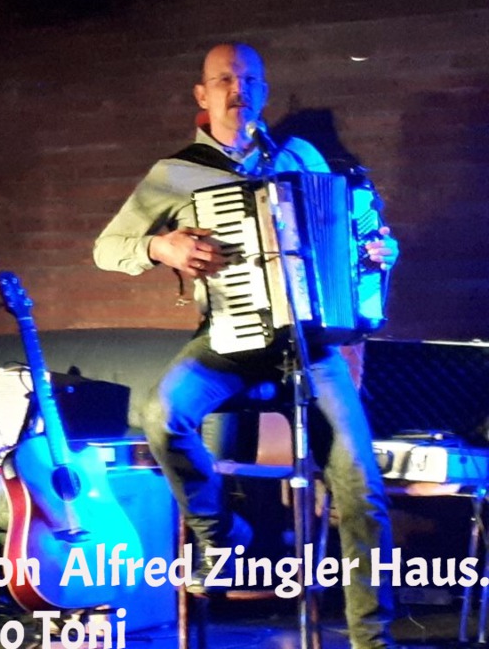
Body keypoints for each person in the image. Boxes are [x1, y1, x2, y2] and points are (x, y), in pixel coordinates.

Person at [93, 43, 399, 649]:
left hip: (312, 344)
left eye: (251, 80)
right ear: (202, 94)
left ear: (263, 91)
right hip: (229, 339)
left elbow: (350, 232)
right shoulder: (176, 173)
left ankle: (373, 639)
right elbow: (107, 248)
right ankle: (220, 534)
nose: (239, 90)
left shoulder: (300, 156)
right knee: (163, 414)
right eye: (225, 79)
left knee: (361, 486)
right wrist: (161, 246)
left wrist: (377, 252)